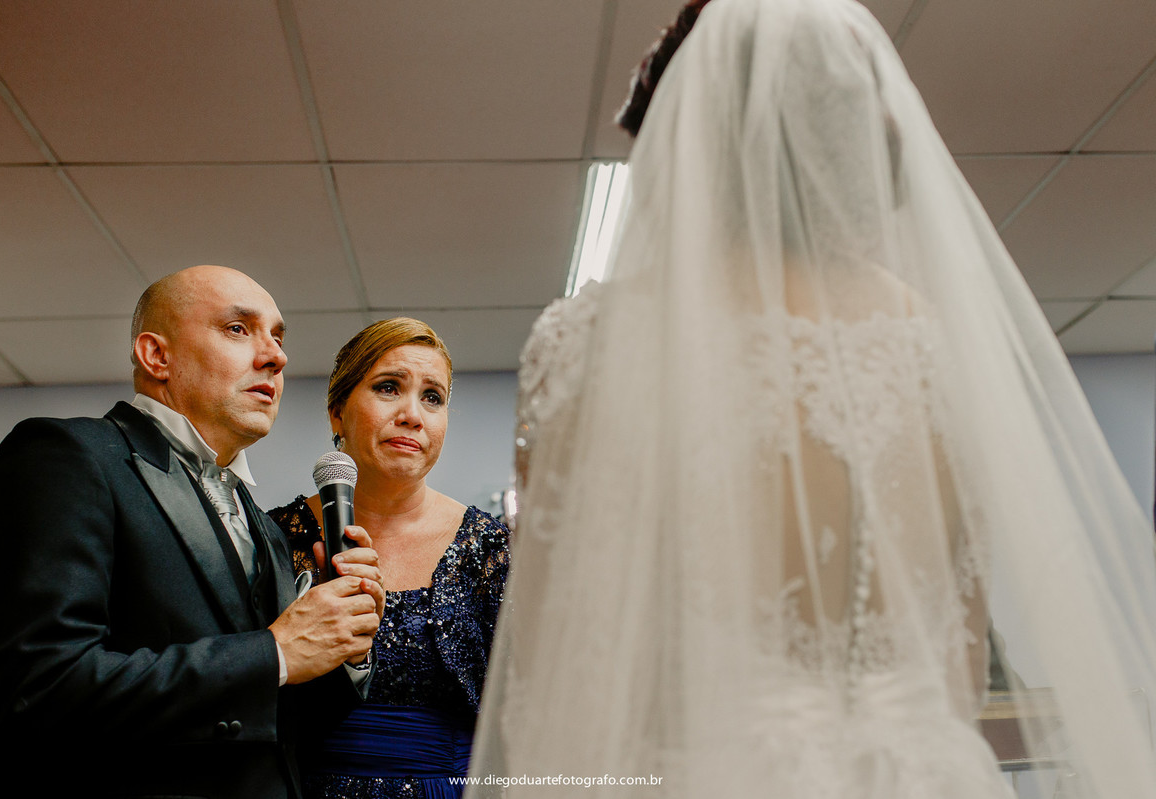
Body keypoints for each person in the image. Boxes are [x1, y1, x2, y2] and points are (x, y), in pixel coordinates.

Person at [468, 0, 1156, 797]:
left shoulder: (582, 346)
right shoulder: (932, 344)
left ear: (689, 134)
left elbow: (555, 662)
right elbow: (961, 656)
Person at [0, 264, 386, 799]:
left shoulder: (262, 523)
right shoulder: (64, 458)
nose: (276, 356)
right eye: (238, 329)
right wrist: (274, 651)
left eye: (278, 337)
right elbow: (36, 691)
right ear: (156, 356)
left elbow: (274, 727)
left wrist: (343, 646)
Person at [269, 317, 510, 799]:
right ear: (337, 413)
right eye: (388, 388)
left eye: (432, 397)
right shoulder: (272, 537)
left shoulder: (492, 547)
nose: (412, 415)